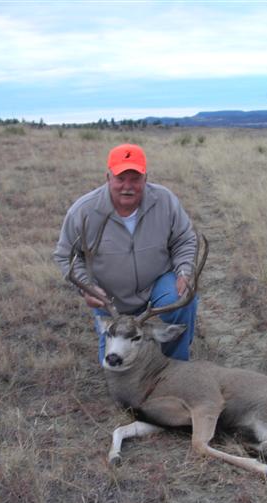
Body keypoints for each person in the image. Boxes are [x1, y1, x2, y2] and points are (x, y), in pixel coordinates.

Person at [54, 143, 198, 365]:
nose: (127, 186)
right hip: (110, 299)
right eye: (120, 178)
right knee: (114, 366)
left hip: (156, 285)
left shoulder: (165, 201)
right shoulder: (84, 211)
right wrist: (86, 288)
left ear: (145, 178)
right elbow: (66, 256)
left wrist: (184, 271)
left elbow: (184, 239)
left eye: (135, 179)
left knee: (183, 298)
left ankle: (175, 364)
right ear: (108, 177)